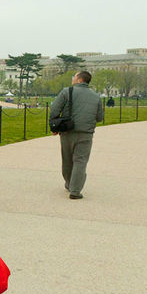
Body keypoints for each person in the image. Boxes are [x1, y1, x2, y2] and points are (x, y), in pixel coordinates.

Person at [50, 70, 103, 199]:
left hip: (68, 132)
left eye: (74, 76)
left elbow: (55, 109)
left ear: (79, 80)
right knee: (80, 161)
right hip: (86, 133)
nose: (72, 78)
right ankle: (75, 190)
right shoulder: (96, 97)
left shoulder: (67, 92)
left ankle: (69, 183)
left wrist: (54, 126)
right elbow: (100, 117)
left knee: (67, 160)